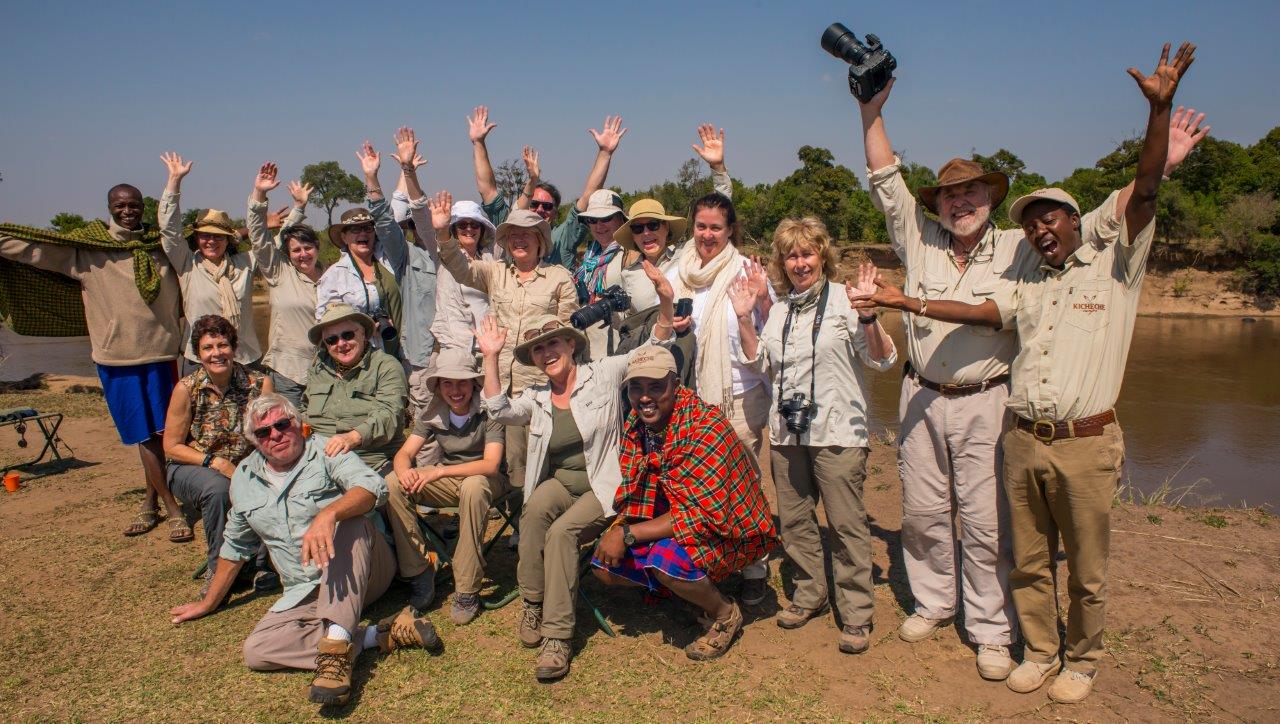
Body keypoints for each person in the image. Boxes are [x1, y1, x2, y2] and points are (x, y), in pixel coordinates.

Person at [851, 42, 1197, 704]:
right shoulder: (918, 239)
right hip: (921, 394)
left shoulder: (1020, 248)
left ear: (991, 195)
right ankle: (931, 603)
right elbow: (886, 179)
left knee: (987, 522)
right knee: (923, 513)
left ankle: (988, 628)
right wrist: (870, 111)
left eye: (972, 191)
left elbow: (1112, 215)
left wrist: (1164, 148)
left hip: (989, 399)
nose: (960, 203)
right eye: (950, 195)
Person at [170, 393, 441, 707]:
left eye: (282, 425)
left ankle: (336, 658)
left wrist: (330, 514)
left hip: (364, 571)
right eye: (263, 432)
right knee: (258, 650)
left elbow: (373, 487)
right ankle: (375, 636)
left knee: (351, 524)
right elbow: (235, 546)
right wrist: (208, 602)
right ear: (255, 441)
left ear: (298, 425)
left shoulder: (326, 450)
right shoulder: (244, 478)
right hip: (305, 588)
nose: (275, 435)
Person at [476, 262, 674, 682]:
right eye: (539, 349)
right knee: (532, 512)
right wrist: (490, 357)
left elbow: (654, 342)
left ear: (571, 344)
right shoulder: (537, 397)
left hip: (603, 487)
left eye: (554, 344)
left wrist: (666, 302)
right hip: (562, 484)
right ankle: (533, 602)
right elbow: (498, 410)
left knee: (563, 532)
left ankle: (557, 635)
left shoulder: (602, 374)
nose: (547, 353)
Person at [736, 221, 896, 654]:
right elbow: (760, 363)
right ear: (782, 263)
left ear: (822, 256)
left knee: (845, 525)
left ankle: (857, 613)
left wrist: (869, 316)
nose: (799, 263)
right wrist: (743, 316)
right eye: (791, 256)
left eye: (807, 254)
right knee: (795, 520)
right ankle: (810, 594)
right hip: (789, 433)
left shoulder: (846, 302)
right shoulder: (782, 309)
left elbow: (881, 362)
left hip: (838, 431)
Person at [0, 182, 183, 538]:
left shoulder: (162, 246)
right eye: (120, 205)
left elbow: (205, 241)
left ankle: (150, 502)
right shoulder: (86, 252)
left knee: (163, 434)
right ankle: (171, 507)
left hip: (163, 353)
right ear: (109, 207)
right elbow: (30, 249)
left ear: (143, 208)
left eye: (133, 205)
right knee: (143, 435)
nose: (127, 210)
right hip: (117, 359)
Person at [591, 347, 777, 660]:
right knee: (603, 566)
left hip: (728, 530)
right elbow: (638, 489)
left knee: (666, 561)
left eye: (655, 387)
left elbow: (700, 515)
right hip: (671, 518)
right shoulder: (639, 425)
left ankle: (724, 612)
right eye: (636, 388)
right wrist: (622, 526)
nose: (644, 397)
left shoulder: (706, 428)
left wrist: (626, 534)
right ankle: (680, 589)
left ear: (676, 386)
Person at [431, 193, 577, 502]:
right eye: (512, 235)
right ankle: (521, 521)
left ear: (541, 241)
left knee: (548, 456)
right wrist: (444, 233)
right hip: (504, 389)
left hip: (542, 387)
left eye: (527, 234)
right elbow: (459, 267)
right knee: (515, 462)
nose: (519, 240)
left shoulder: (559, 277)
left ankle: (545, 517)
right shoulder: (495, 272)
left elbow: (569, 335)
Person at [666, 191, 774, 604]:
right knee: (697, 483)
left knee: (743, 478)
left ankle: (754, 565)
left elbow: (769, 327)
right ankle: (709, 559)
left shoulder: (745, 270)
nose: (707, 235)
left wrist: (762, 298)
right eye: (701, 226)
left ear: (730, 231)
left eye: (716, 227)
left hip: (738, 396)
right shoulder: (680, 271)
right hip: (688, 396)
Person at [385, 348, 507, 621]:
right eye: (447, 383)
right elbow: (404, 454)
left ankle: (467, 587)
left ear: (474, 384)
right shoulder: (434, 410)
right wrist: (406, 472)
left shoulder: (489, 410)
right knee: (393, 482)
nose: (455, 390)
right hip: (451, 479)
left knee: (474, 487)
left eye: (462, 382)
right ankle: (418, 570)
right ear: (438, 386)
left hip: (489, 481)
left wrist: (438, 473)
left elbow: (491, 464)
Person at [161, 314, 274, 589]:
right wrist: (215, 462)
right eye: (208, 348)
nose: (216, 353)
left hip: (246, 463)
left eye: (222, 345)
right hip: (193, 465)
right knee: (219, 490)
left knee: (269, 480)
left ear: (234, 348)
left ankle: (258, 565)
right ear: (198, 354)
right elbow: (171, 447)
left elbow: (270, 433)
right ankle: (218, 569)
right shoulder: (186, 388)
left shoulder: (259, 383)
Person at [468, 106, 624, 267]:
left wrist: (605, 153)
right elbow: (488, 190)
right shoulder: (509, 226)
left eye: (547, 206)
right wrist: (478, 143)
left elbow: (588, 196)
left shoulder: (562, 238)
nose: (540, 209)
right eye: (534, 204)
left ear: (555, 212)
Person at [157, 153, 262, 372]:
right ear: (196, 239)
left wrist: (289, 209)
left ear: (228, 240)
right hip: (200, 359)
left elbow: (270, 247)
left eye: (218, 236)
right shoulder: (187, 264)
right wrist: (174, 181)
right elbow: (169, 230)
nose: (211, 241)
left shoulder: (244, 264)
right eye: (205, 235)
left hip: (244, 357)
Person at [613, 125, 733, 312]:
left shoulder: (688, 254)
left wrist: (717, 167)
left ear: (666, 227)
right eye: (637, 228)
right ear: (633, 236)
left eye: (653, 225)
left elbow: (719, 211)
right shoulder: (628, 274)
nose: (646, 233)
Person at [303, 304, 407, 475]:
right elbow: (304, 408)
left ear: (364, 334)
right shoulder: (318, 366)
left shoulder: (386, 366)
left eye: (348, 335)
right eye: (332, 340)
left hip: (372, 460)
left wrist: (352, 437)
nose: (341, 344)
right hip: (320, 458)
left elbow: (390, 414)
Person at [247, 163, 318, 408]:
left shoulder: (329, 279)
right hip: (287, 371)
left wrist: (299, 207)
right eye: (296, 250)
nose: (303, 254)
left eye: (308, 248)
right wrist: (259, 194)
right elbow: (258, 237)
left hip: (325, 373)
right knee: (291, 432)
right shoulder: (279, 272)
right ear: (288, 254)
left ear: (317, 249)